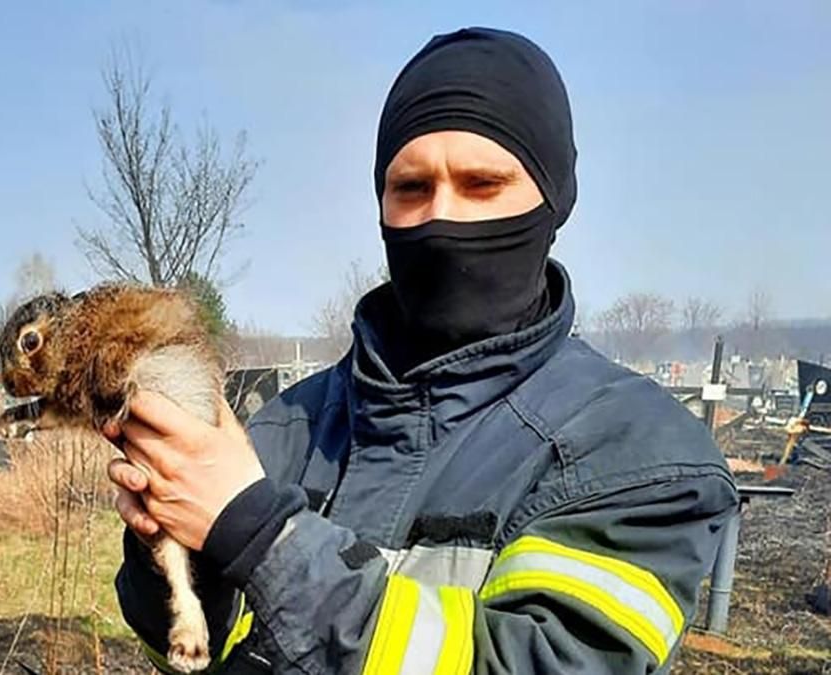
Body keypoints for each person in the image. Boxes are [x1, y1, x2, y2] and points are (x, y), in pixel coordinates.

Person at [106, 27, 738, 674]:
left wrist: (259, 534)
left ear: (555, 202)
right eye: (411, 188)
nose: (442, 219)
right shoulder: (281, 427)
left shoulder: (645, 459)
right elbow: (188, 654)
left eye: (482, 184)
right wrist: (170, 553)